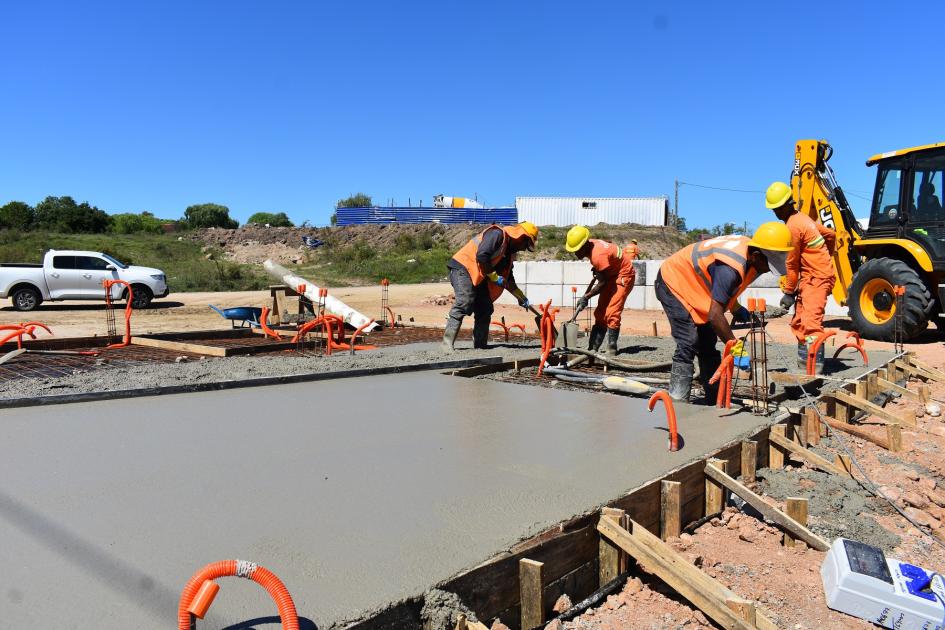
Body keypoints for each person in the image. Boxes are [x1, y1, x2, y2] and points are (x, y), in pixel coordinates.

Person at [655, 222, 793, 403]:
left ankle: (714, 398)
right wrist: (736, 348)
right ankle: (677, 402)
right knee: (688, 341)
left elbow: (722, 287)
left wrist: (735, 307)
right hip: (674, 283)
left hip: (696, 288)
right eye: (768, 264)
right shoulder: (731, 267)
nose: (768, 269)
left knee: (707, 342)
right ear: (756, 255)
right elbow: (715, 315)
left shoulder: (750, 254)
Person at [764, 181, 837, 367]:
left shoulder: (793, 227)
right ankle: (804, 362)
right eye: (774, 209)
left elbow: (792, 262)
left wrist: (788, 292)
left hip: (817, 278)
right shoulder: (803, 219)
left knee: (811, 324)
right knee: (798, 321)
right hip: (810, 277)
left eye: (778, 208)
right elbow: (830, 235)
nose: (776, 213)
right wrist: (826, 255)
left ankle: (814, 368)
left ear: (788, 204)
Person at [442, 221, 539, 351]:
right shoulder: (497, 234)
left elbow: (508, 279)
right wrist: (493, 276)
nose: (523, 249)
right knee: (465, 301)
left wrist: (520, 296)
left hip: (479, 274)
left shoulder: (507, 255)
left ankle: (480, 346)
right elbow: (482, 255)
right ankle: (446, 345)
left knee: (485, 307)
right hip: (463, 267)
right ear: (521, 237)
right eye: (525, 245)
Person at [564, 225, 636, 354]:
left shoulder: (598, 255)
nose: (575, 253)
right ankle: (592, 349)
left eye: (577, 250)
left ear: (585, 245)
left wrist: (586, 297)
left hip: (623, 275)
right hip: (611, 274)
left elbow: (602, 283)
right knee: (600, 313)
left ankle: (611, 349)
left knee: (612, 312)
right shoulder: (592, 245)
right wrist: (599, 270)